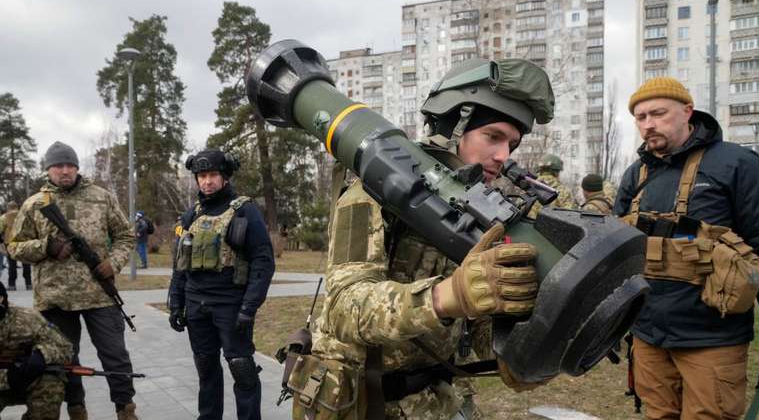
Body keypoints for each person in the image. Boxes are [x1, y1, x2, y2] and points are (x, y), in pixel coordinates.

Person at [289, 58, 554, 420]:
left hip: (438, 400)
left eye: (512, 144)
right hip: (366, 401)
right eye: (493, 137)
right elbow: (343, 309)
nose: (503, 156)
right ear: (453, 128)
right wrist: (449, 296)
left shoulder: (485, 209)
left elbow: (480, 324)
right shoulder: (376, 187)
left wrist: (518, 345)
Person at [615, 77, 759, 420]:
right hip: (648, 334)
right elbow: (615, 252)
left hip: (713, 337)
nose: (648, 124)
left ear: (687, 112)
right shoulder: (634, 174)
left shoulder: (737, 164)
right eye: (640, 117)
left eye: (658, 113)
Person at [7, 141, 141, 420]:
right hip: (54, 298)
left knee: (115, 354)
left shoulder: (101, 197)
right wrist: (46, 247)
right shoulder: (35, 205)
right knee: (64, 359)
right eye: (58, 166)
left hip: (99, 295)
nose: (65, 171)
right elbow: (14, 246)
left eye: (70, 165)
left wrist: (112, 263)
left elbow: (126, 235)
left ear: (77, 168)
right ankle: (76, 409)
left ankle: (125, 410)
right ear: (48, 169)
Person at [167, 148, 275, 420]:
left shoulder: (245, 211)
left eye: (213, 174)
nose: (207, 181)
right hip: (196, 304)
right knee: (206, 369)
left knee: (242, 369)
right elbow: (181, 262)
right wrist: (176, 302)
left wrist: (249, 307)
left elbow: (263, 262)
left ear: (224, 176)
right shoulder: (192, 214)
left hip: (231, 305)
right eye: (201, 175)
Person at [0, 281, 73, 420]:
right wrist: (7, 377)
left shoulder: (27, 317)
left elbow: (64, 347)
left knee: (51, 384)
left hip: (27, 379)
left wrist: (42, 355)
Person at [528, 153, 577, 217]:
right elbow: (570, 217)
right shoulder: (564, 191)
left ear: (540, 170)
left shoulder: (528, 187)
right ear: (556, 171)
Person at [0, 202, 32, 290]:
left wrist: (1, 241)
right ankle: (28, 284)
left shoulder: (4, 217)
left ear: (8, 207)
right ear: (17, 207)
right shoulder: (24, 215)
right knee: (26, 263)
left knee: (12, 264)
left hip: (10, 242)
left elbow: (0, 229)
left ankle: (12, 285)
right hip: (24, 242)